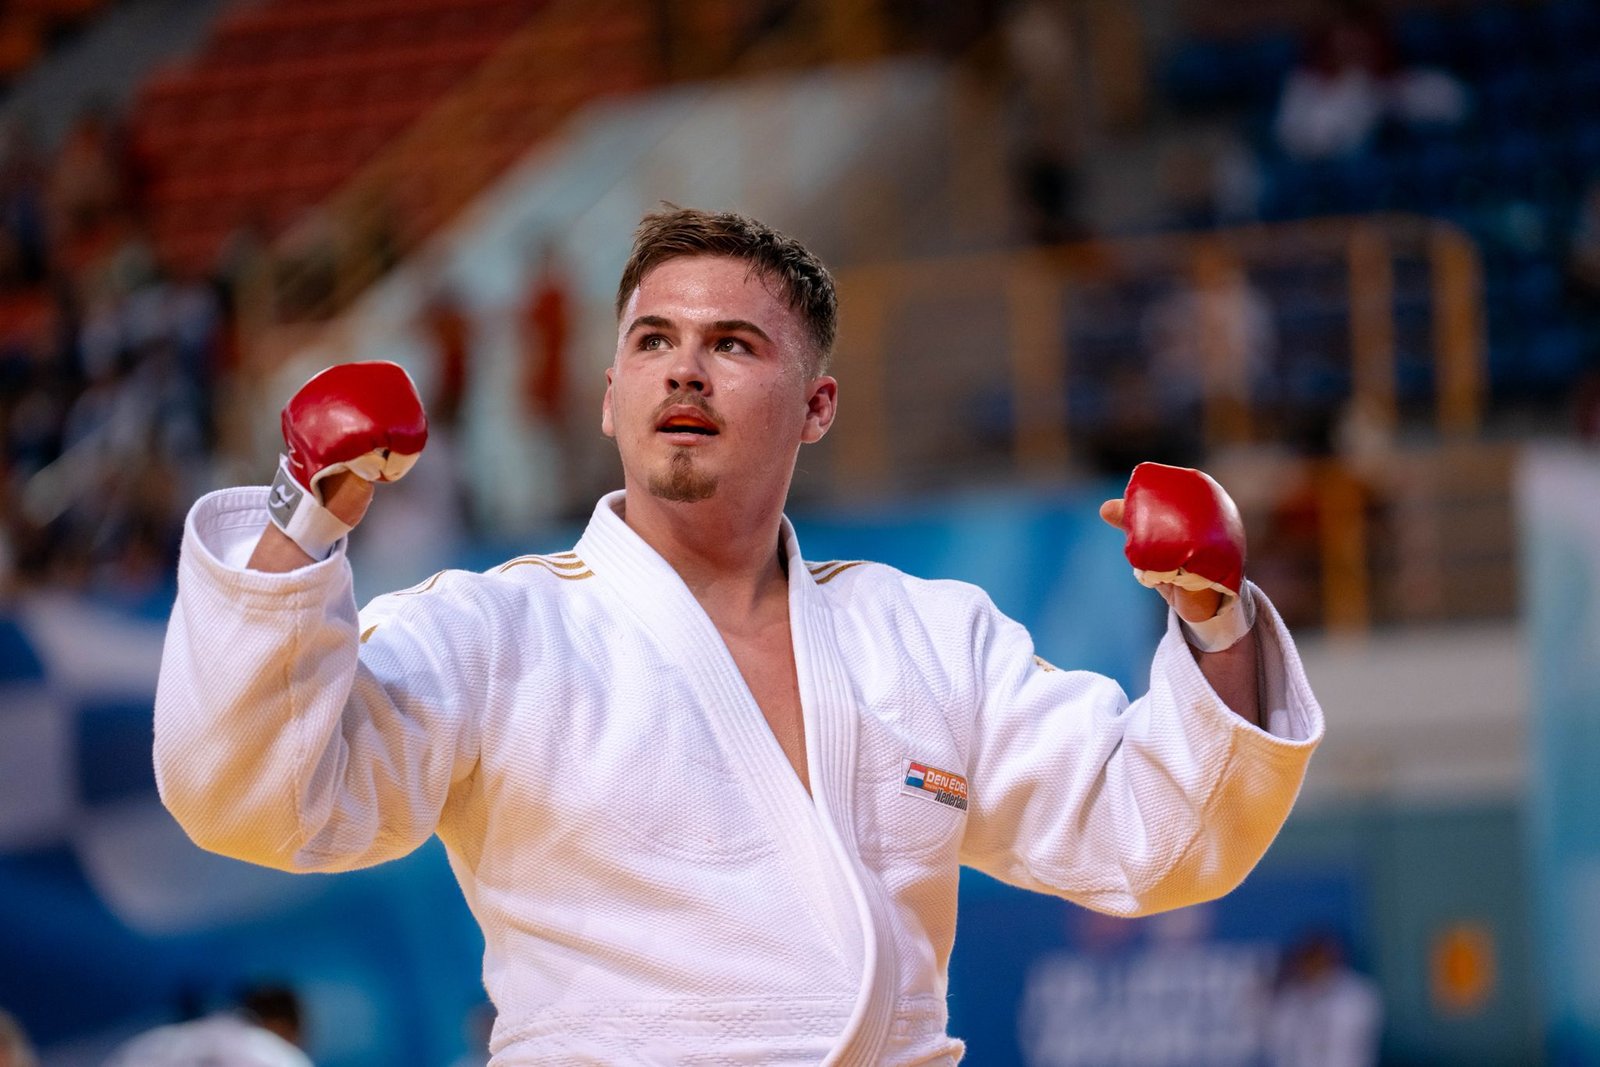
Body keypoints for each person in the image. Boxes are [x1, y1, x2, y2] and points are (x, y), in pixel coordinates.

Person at [153, 207, 1324, 1063]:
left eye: (732, 344)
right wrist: (302, 517)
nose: (684, 370)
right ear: (608, 395)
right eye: (652, 341)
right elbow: (258, 796)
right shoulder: (497, 628)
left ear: (816, 406)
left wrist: (1213, 612)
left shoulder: (931, 635)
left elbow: (1153, 836)